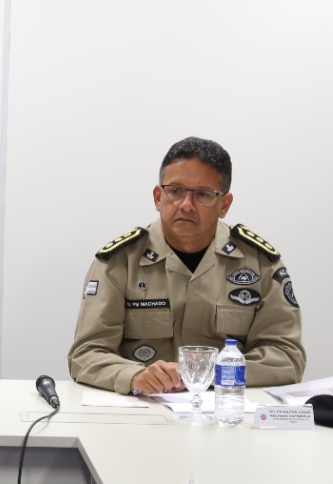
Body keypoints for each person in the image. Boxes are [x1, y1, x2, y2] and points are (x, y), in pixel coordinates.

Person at [69, 136, 303, 394]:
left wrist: (208, 373)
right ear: (158, 197)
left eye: (203, 194)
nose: (186, 205)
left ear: (224, 205)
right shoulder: (118, 262)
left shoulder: (260, 264)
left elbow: (287, 358)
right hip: (143, 406)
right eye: (176, 191)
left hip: (226, 407)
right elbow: (86, 354)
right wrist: (134, 376)